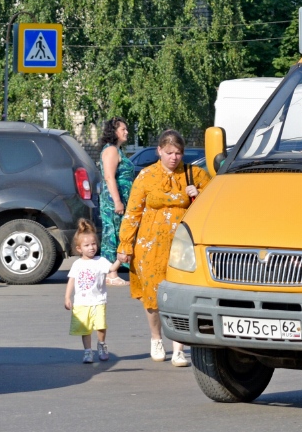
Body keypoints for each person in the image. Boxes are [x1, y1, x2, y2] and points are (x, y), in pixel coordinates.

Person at [116, 129, 210, 367]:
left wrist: (198, 195)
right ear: (159, 151)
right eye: (169, 152)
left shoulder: (196, 174)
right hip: (150, 247)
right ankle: (156, 339)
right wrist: (125, 244)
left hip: (183, 247)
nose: (174, 158)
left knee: (180, 298)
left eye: (178, 153)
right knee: (152, 298)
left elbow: (214, 208)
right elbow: (132, 213)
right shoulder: (146, 176)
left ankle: (179, 348)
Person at [64, 219, 120, 364]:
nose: (91, 248)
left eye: (93, 244)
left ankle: (101, 345)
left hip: (98, 301)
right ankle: (88, 351)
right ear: (79, 248)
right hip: (81, 303)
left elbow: (112, 269)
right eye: (87, 245)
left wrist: (119, 260)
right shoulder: (77, 264)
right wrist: (67, 297)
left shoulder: (100, 261)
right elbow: (72, 280)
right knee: (85, 329)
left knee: (100, 326)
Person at [97, 117, 136, 282]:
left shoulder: (117, 150)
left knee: (121, 233)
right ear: (114, 132)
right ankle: (110, 273)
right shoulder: (111, 150)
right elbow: (109, 177)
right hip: (114, 201)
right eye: (123, 129)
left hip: (121, 199)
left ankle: (113, 270)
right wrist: (118, 201)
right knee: (113, 234)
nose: (126, 132)